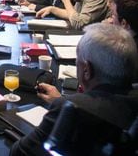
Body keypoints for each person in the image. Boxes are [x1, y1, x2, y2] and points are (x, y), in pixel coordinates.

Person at [10, 23, 138, 156]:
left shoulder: (71, 109)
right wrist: (63, 100)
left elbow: (19, 152)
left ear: (87, 70)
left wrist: (64, 104)